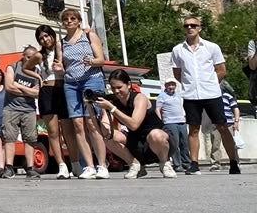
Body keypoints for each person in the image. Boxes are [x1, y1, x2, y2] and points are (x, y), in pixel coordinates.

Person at [171, 15, 241, 175]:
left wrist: (209, 83)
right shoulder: (178, 50)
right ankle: (194, 163)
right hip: (191, 95)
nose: (190, 28)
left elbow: (222, 70)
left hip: (211, 94)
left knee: (223, 127)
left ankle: (233, 161)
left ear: (199, 28)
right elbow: (177, 73)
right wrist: (191, 84)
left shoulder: (211, 47)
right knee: (193, 129)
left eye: (193, 25)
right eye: (186, 25)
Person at [96, 69, 177, 179]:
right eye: (113, 88)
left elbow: (134, 124)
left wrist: (112, 108)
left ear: (129, 85)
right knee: (108, 136)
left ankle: (165, 164)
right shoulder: (113, 101)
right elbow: (105, 129)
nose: (116, 91)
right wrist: (92, 109)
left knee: (155, 135)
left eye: (119, 87)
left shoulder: (139, 98)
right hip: (137, 141)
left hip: (159, 141)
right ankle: (135, 165)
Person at [59, 8, 110, 179]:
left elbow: (101, 59)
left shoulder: (89, 36)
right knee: (78, 125)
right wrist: (59, 68)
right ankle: (89, 166)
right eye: (66, 19)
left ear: (79, 21)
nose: (69, 21)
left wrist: (92, 61)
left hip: (91, 79)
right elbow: (61, 64)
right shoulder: (62, 42)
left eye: (73, 18)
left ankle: (102, 165)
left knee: (92, 122)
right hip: (71, 84)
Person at [34, 24, 74, 179]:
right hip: (47, 91)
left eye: (46, 35)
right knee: (52, 132)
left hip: (63, 90)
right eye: (41, 38)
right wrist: (38, 78)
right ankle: (61, 165)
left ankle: (75, 164)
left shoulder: (62, 48)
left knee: (69, 131)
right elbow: (26, 67)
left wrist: (58, 46)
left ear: (52, 35)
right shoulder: (39, 55)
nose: (45, 39)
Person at [0, 47, 42, 179]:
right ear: (23, 56)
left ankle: (30, 168)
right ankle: (9, 168)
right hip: (11, 108)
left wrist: (19, 86)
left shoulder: (37, 72)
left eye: (34, 58)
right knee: (9, 138)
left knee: (30, 138)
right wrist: (29, 91)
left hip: (29, 110)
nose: (31, 60)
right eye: (29, 57)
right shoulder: (12, 67)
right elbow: (8, 86)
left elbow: (38, 93)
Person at [155, 79, 190, 172]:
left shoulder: (178, 95)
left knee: (185, 144)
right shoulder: (162, 96)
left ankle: (186, 163)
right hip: (169, 122)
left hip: (181, 121)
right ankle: (177, 165)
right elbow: (158, 109)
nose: (171, 87)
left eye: (173, 85)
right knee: (175, 144)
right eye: (169, 85)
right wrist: (160, 121)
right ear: (165, 86)